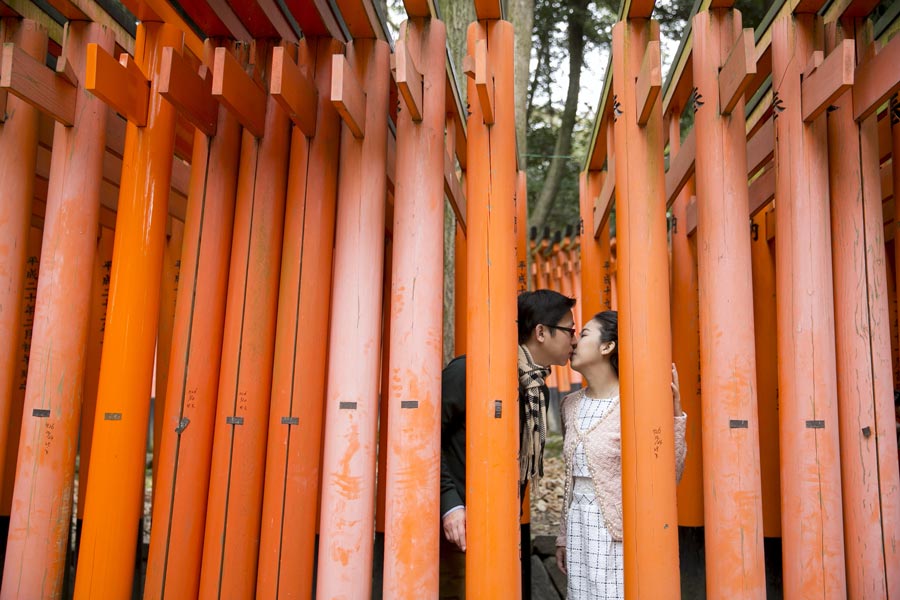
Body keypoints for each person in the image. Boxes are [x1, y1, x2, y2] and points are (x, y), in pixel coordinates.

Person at [439, 290, 578, 598]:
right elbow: (424, 441)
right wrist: (450, 505)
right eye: (569, 330)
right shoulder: (469, 372)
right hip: (455, 529)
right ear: (541, 332)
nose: (575, 339)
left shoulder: (536, 390)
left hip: (501, 528)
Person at [554, 310, 686, 599]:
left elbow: (668, 475)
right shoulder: (569, 405)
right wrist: (563, 535)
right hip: (579, 528)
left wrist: (675, 417)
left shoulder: (636, 403)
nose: (574, 342)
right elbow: (571, 479)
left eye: (584, 334)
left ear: (607, 346)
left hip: (620, 533)